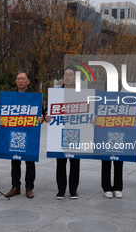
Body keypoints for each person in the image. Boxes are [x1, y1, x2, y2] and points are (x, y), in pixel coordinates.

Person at [3, 70, 44, 199]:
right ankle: (15, 186)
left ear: (28, 81)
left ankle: (29, 187)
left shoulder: (35, 96)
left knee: (29, 162)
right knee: (15, 160)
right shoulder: (10, 96)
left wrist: (41, 119)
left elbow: (41, 113)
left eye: (23, 78)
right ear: (16, 81)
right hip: (15, 132)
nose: (21, 81)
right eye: (19, 79)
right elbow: (4, 112)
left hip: (30, 133)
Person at [45, 66, 80, 200]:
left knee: (75, 162)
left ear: (75, 77)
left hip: (76, 130)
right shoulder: (56, 93)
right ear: (63, 77)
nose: (68, 77)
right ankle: (61, 189)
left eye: (71, 74)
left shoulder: (81, 92)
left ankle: (73, 190)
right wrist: (46, 115)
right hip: (59, 130)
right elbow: (47, 110)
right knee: (61, 162)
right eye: (66, 74)